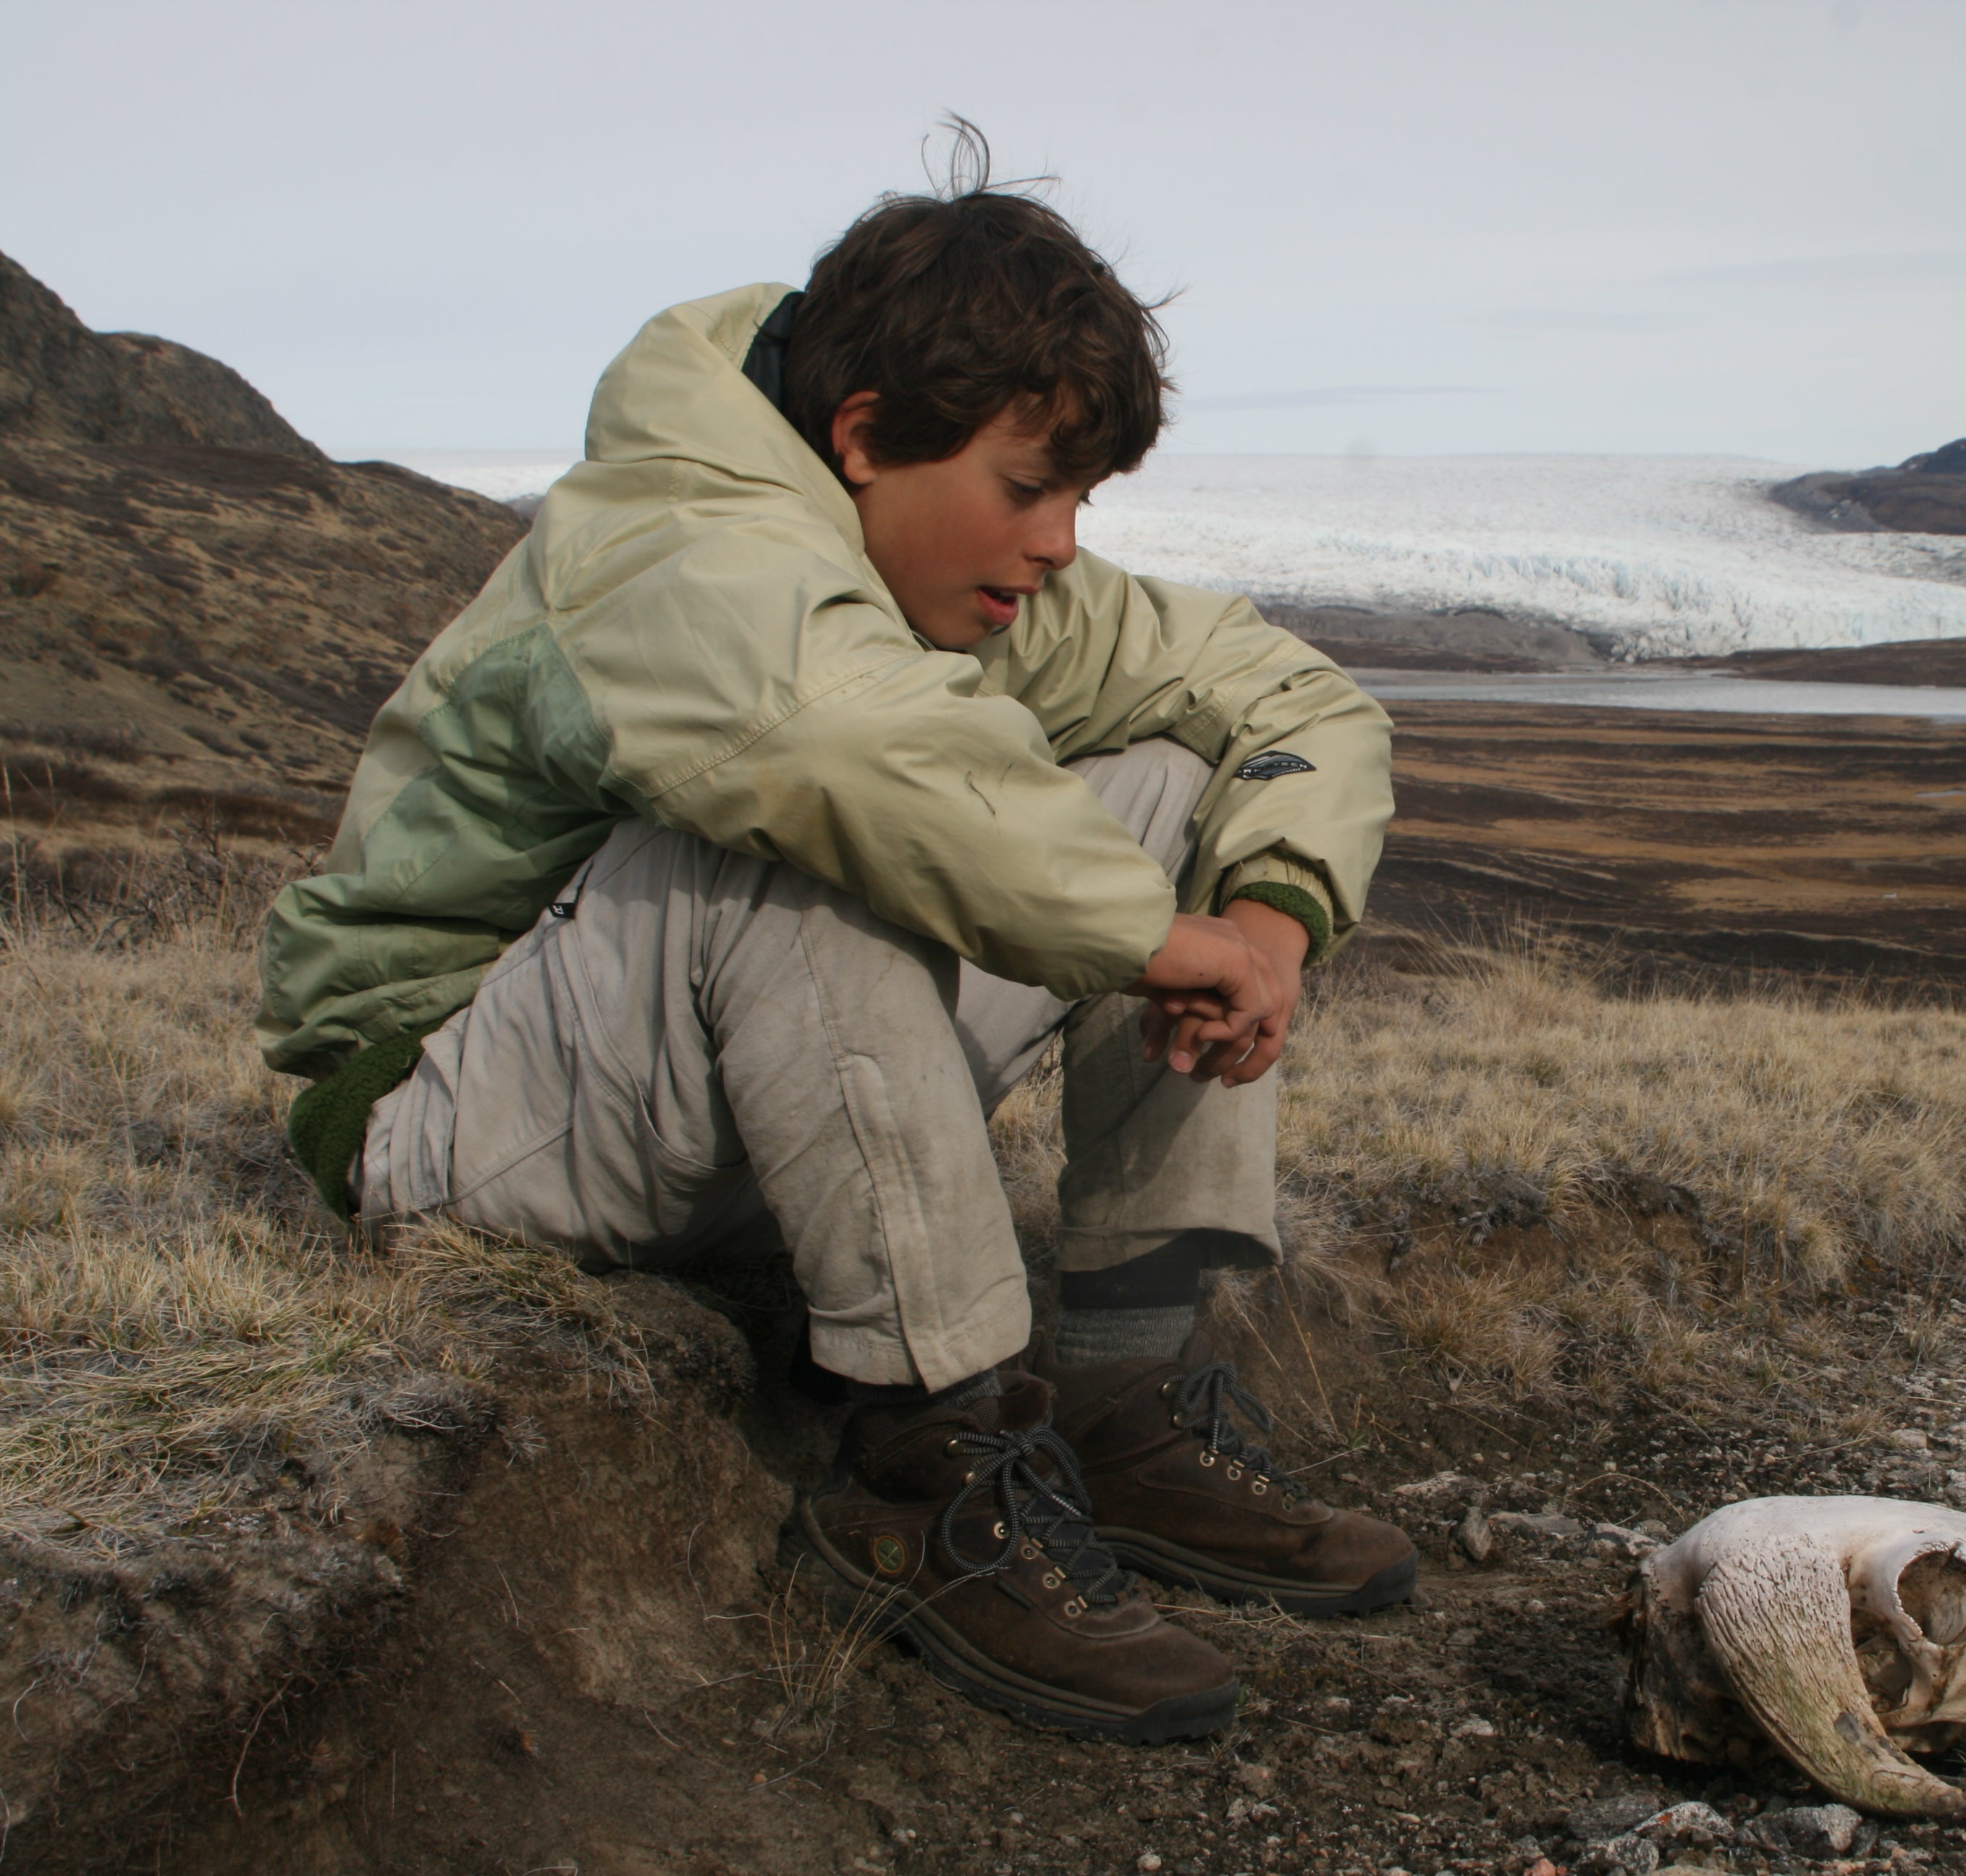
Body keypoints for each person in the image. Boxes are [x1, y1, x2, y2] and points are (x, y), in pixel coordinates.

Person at [255, 141, 1410, 1744]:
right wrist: (1153, 943)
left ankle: (1119, 1405)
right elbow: (840, 753)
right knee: (796, 830)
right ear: (865, 437)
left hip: (675, 1093)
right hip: (455, 1113)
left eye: (1081, 495)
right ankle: (924, 1468)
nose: (1064, 541)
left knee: (1172, 783)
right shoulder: (679, 543)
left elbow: (1296, 698)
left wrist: (1269, 919)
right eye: (1030, 488)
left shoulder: (967, 568)